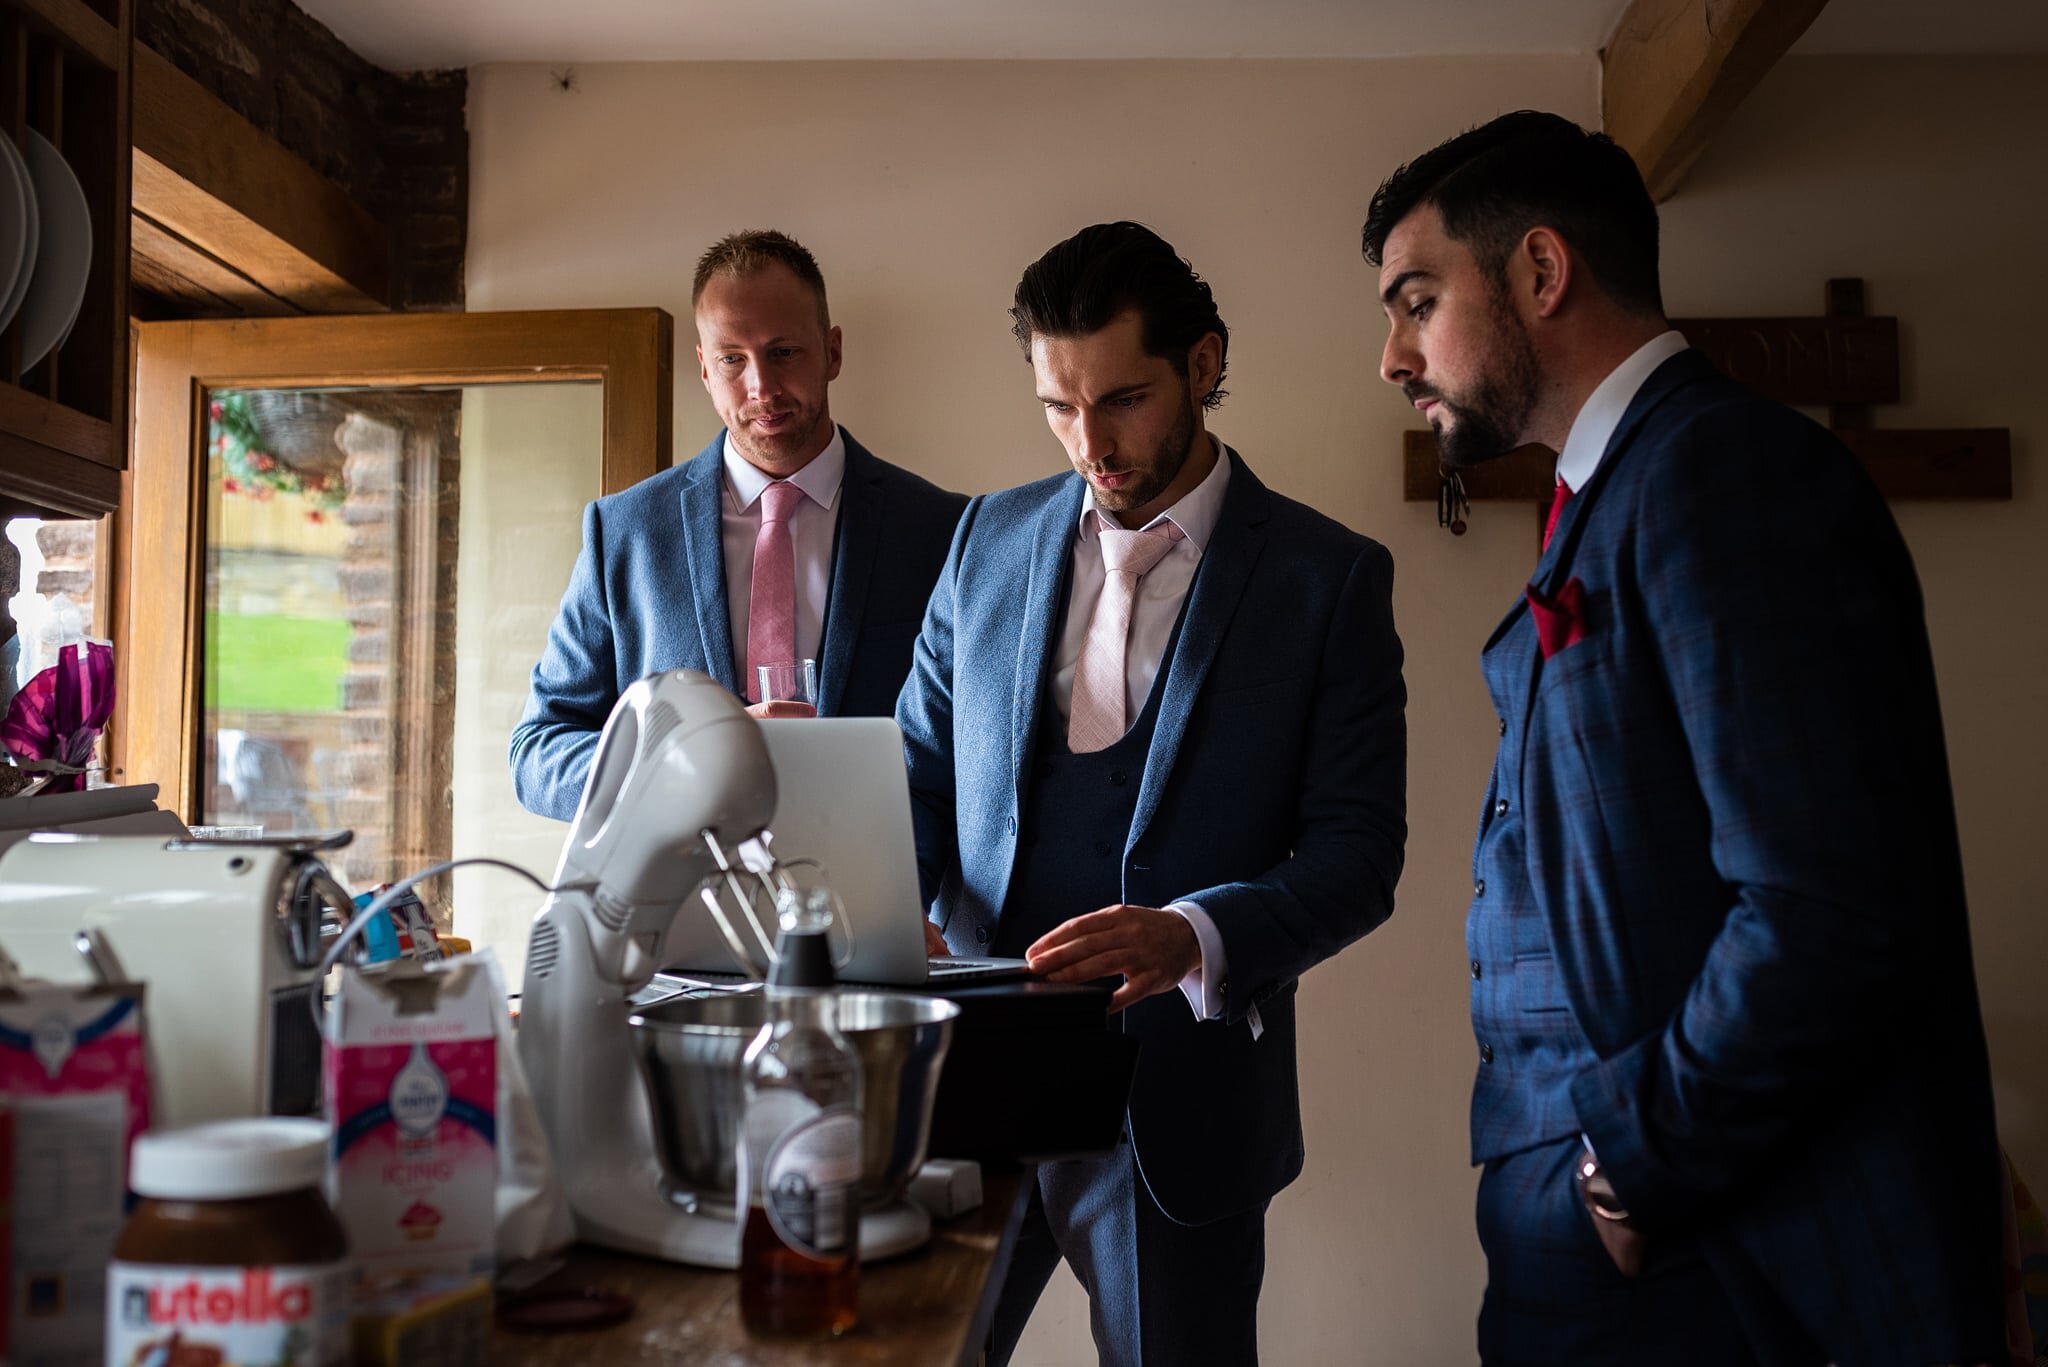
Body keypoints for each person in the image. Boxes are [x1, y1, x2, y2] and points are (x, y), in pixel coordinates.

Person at [1363, 110, 2004, 1365]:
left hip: (1713, 1248)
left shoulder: (1723, 474)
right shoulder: (1627, 488)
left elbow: (1820, 907)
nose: (1390, 355)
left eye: (1416, 300)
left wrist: (1625, 1173)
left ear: (1541, 272)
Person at [897, 221, 1407, 1365]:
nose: (1091, 442)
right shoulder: (984, 539)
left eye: (1121, 398)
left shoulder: (1326, 580)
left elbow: (1357, 851)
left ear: (1205, 362)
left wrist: (1190, 932)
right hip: (969, 1080)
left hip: (1178, 1101)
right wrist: (896, 900)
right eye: (1056, 406)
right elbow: (914, 777)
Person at [511, 229, 967, 821]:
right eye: (733, 359)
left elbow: (979, 750)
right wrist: (679, 762)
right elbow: (538, 750)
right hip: (676, 903)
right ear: (704, 368)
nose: (761, 387)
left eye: (783, 352)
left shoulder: (944, 531)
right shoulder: (623, 533)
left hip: (876, 897)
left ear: (831, 352)